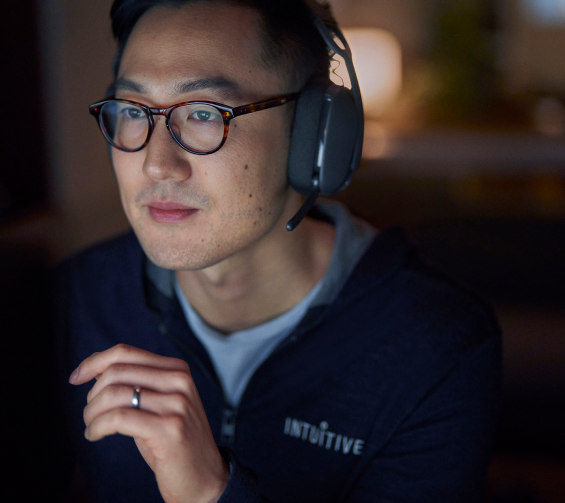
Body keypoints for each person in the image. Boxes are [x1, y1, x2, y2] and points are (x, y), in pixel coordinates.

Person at [54, 0, 501, 501]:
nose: (157, 165)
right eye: (135, 111)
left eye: (204, 113)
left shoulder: (433, 343)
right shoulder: (77, 299)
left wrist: (210, 492)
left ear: (314, 135)